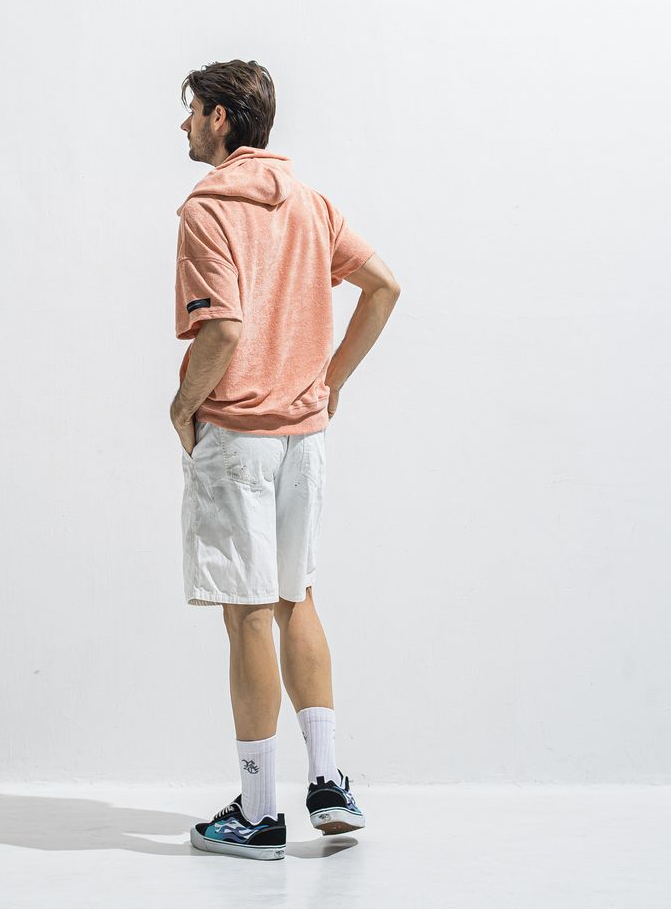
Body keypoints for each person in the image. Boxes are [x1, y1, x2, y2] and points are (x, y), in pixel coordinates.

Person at [169, 60, 400, 861]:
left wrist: (183, 406)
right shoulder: (311, 203)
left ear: (221, 118)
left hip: (238, 437)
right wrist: (329, 384)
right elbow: (383, 286)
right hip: (305, 438)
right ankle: (329, 783)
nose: (185, 124)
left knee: (246, 615)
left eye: (193, 109)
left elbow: (225, 329)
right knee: (297, 598)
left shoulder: (207, 208)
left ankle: (260, 812)